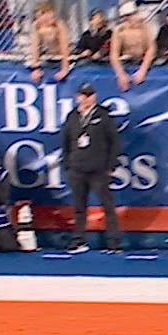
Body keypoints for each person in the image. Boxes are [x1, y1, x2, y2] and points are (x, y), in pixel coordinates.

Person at [58, 83, 122, 254]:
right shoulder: (72, 116)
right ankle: (78, 240)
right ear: (77, 97)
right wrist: (67, 165)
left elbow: (114, 142)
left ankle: (113, 242)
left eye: (90, 95)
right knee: (79, 206)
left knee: (107, 206)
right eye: (83, 95)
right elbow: (65, 142)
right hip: (77, 169)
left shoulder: (103, 115)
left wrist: (110, 166)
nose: (86, 99)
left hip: (98, 169)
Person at [109, 2, 155, 91]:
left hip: (141, 62)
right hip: (126, 64)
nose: (130, 19)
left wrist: (143, 70)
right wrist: (120, 74)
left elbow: (151, 49)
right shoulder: (119, 31)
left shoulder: (144, 28)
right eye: (126, 17)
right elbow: (114, 55)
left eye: (131, 15)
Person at [26, 0, 72, 82]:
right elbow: (35, 48)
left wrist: (64, 69)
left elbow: (64, 48)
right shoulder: (36, 26)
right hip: (47, 56)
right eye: (38, 17)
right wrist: (35, 69)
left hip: (61, 57)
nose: (41, 19)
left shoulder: (59, 25)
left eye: (49, 14)